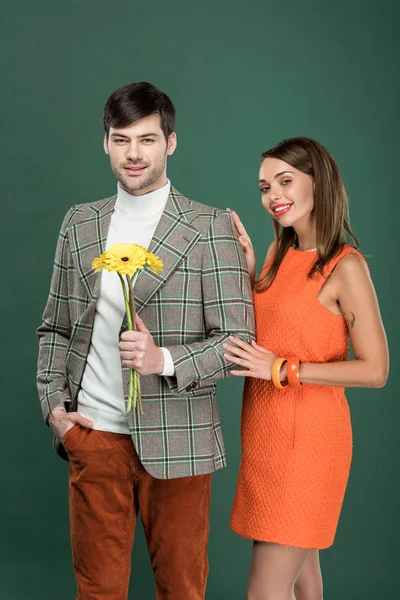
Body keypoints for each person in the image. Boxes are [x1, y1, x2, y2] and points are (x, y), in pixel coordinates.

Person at [37, 81, 254, 600]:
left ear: (170, 143)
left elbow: (239, 340)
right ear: (106, 144)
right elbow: (56, 326)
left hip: (180, 440)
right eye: (122, 139)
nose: (134, 154)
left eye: (148, 139)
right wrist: (55, 409)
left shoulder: (210, 227)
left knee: (182, 589)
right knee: (98, 591)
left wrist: (165, 358)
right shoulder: (80, 223)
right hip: (95, 438)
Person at [225, 137, 388, 600]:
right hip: (266, 440)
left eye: (285, 180)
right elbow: (273, 332)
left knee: (265, 592)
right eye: (264, 186)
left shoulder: (345, 266)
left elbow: (375, 370)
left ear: (319, 182)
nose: (272, 195)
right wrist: (253, 274)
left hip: (308, 446)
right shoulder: (278, 255)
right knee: (304, 581)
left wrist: (284, 370)